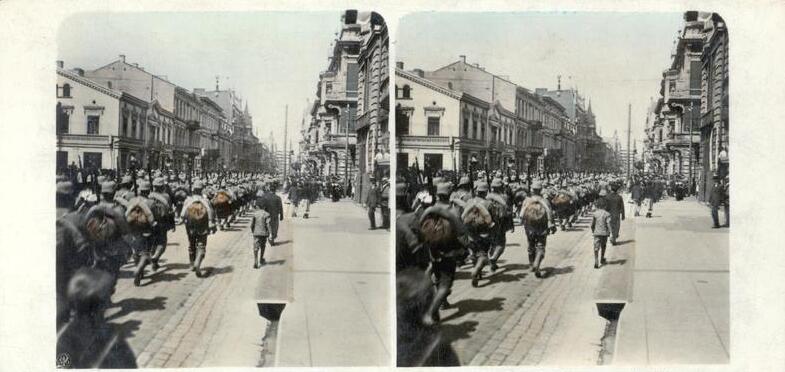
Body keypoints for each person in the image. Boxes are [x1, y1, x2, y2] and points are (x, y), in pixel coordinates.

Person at [180, 181, 217, 277]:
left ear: (193, 189)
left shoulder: (188, 200)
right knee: (201, 246)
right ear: (201, 190)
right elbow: (210, 211)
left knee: (191, 244)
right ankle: (198, 263)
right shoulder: (205, 200)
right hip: (203, 227)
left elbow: (182, 214)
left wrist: (183, 220)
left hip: (190, 227)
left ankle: (192, 264)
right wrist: (211, 223)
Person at [520, 181, 557, 278]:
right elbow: (550, 214)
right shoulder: (545, 201)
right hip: (542, 228)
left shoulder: (527, 200)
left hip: (529, 228)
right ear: (541, 190)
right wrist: (552, 225)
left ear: (532, 190)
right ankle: (537, 264)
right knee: (540, 247)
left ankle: (531, 264)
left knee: (531, 245)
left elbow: (521, 215)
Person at [591, 197, 612, 269]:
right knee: (603, 245)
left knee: (596, 247)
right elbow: (608, 224)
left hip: (596, 233)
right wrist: (611, 233)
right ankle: (602, 258)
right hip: (604, 233)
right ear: (605, 206)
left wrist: (593, 231)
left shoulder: (595, 214)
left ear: (598, 205)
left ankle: (596, 261)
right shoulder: (607, 214)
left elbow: (592, 224)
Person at [250, 202, 273, 268]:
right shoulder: (267, 214)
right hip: (264, 233)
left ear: (258, 207)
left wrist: (253, 231)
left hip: (256, 233)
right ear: (264, 207)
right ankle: (261, 259)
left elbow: (252, 224)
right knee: (263, 246)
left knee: (255, 247)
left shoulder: (255, 214)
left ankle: (255, 261)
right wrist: (270, 233)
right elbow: (268, 224)